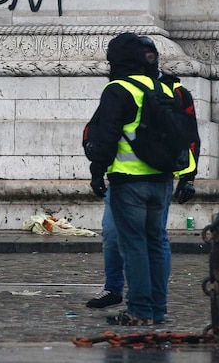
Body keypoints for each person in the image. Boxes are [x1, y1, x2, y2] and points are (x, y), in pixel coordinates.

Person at [85, 36, 200, 311]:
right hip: (155, 179)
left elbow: (188, 136)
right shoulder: (152, 87)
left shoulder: (165, 88)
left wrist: (188, 176)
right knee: (130, 238)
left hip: (131, 180)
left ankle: (141, 308)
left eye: (152, 52)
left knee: (138, 242)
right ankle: (136, 298)